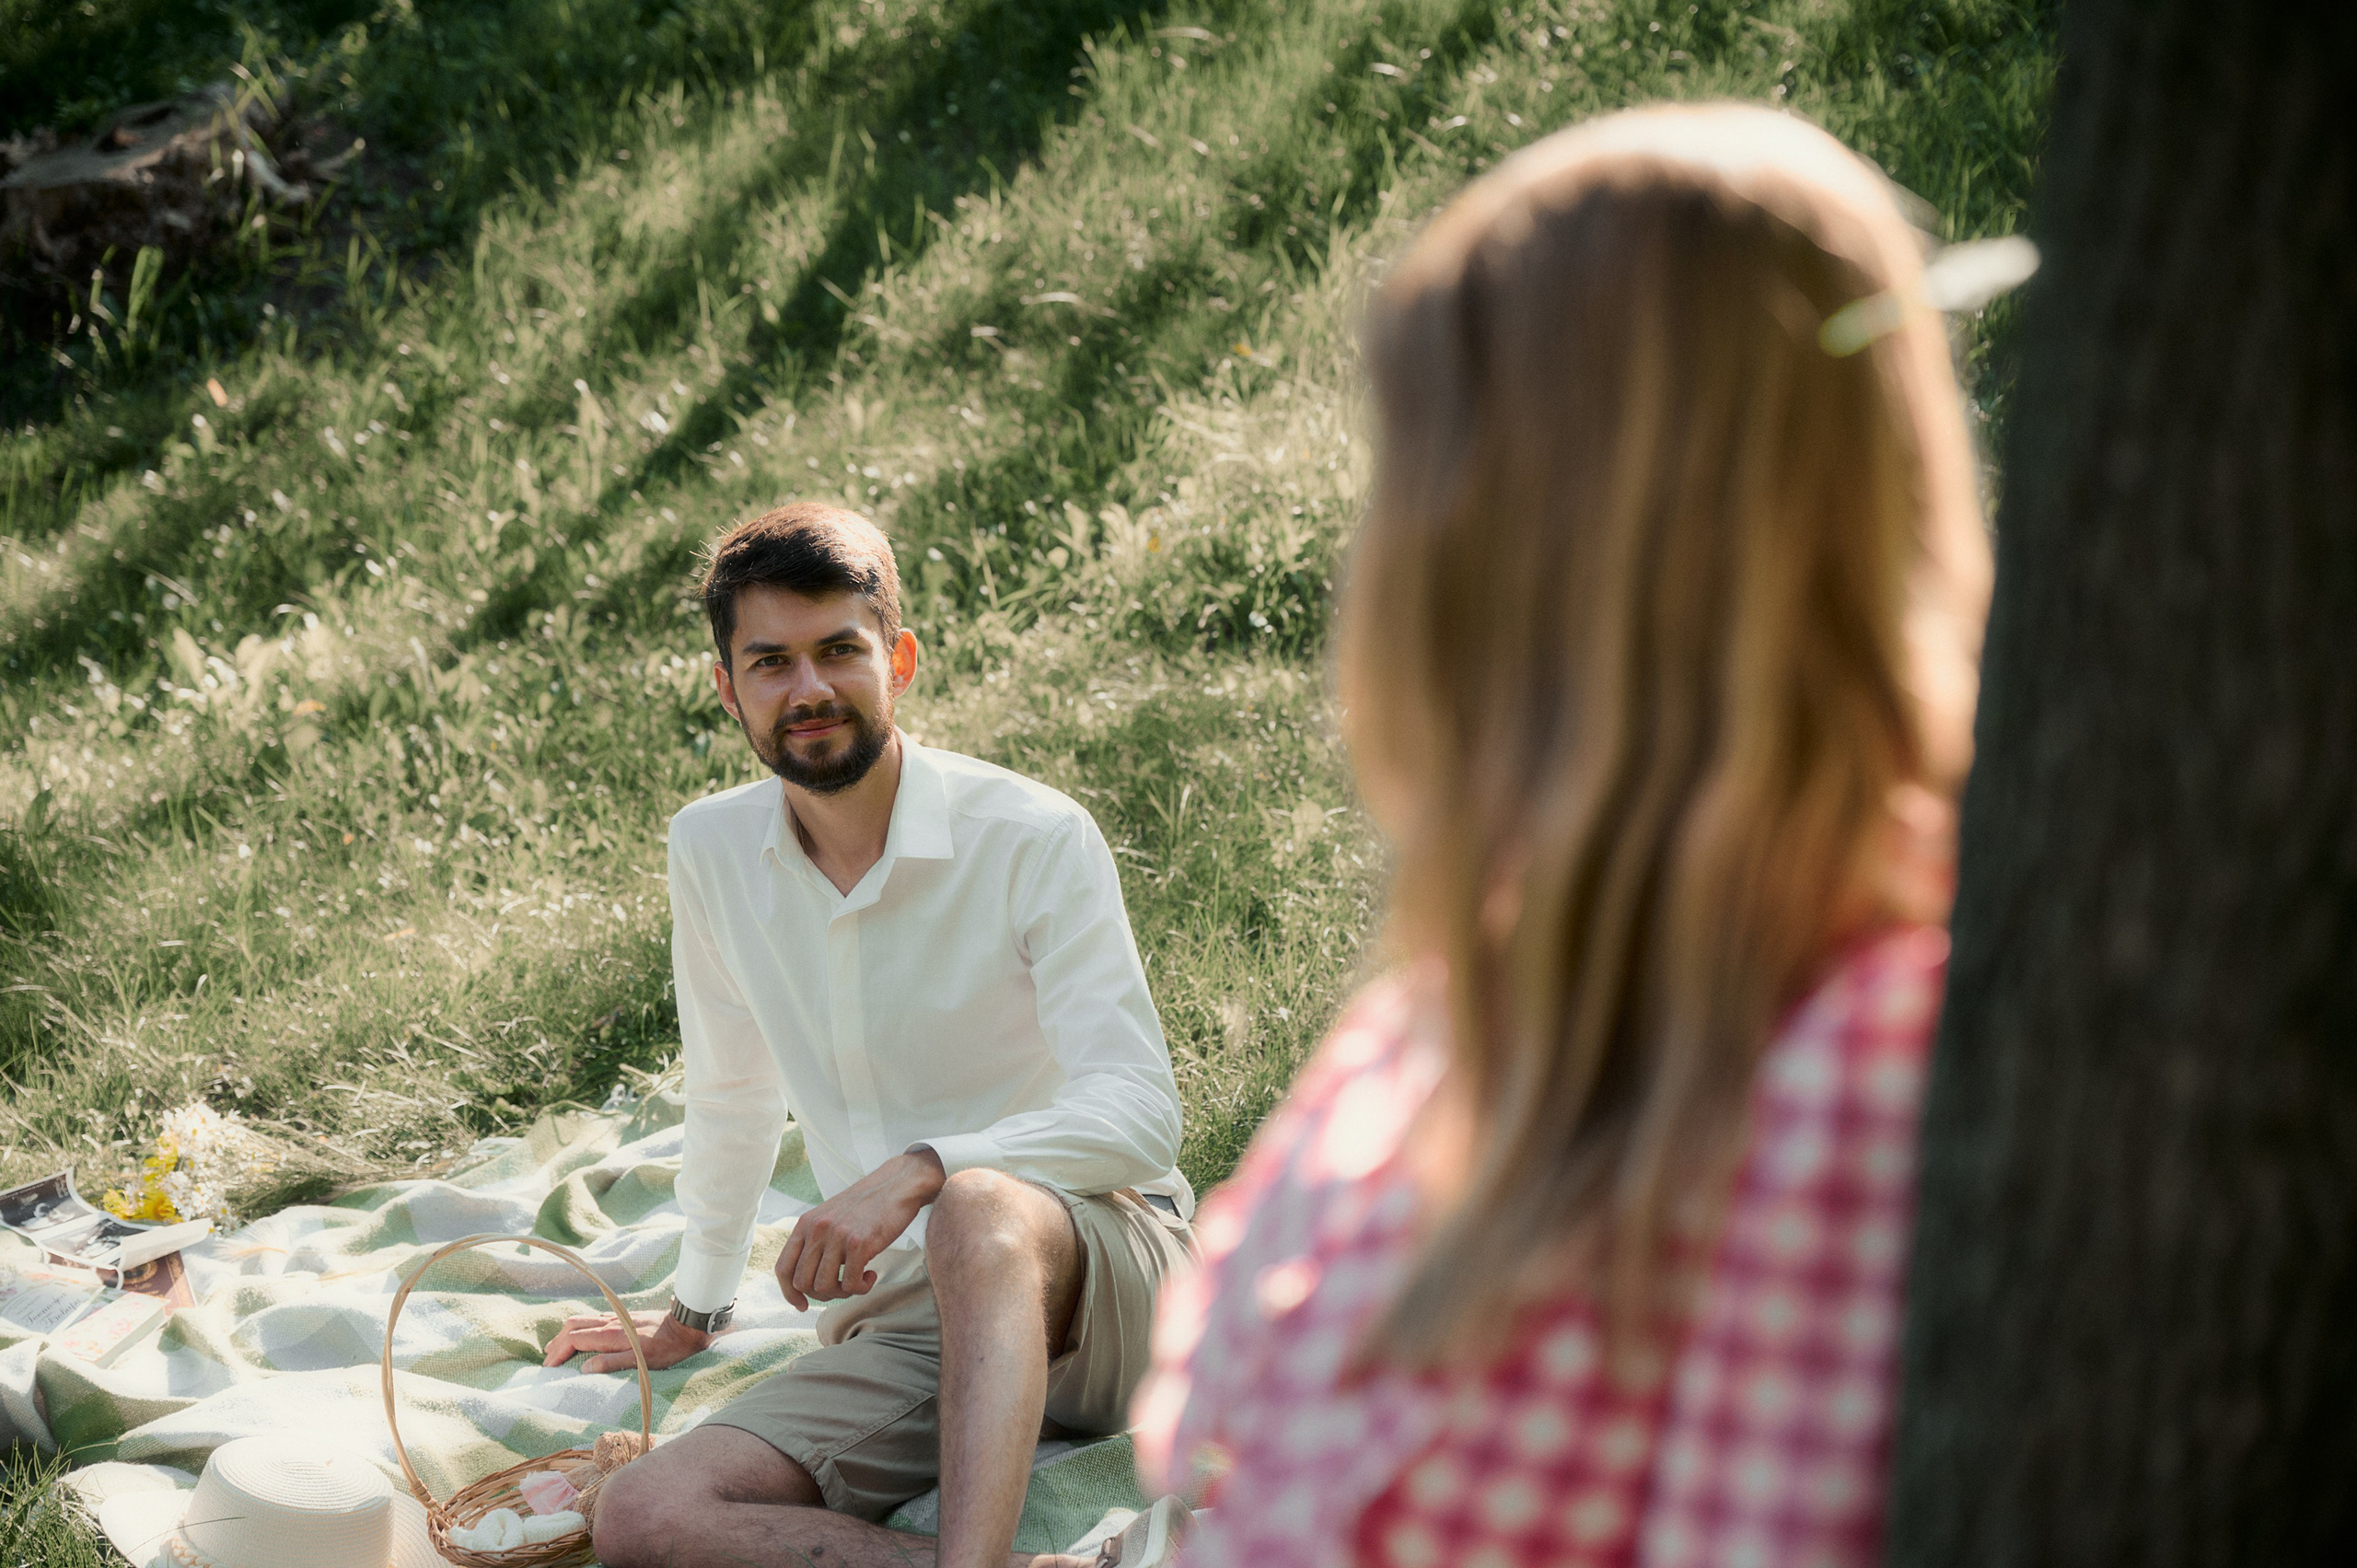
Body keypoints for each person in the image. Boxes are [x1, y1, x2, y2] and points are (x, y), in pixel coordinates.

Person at [1131, 104, 1994, 1568]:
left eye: (1417, 468)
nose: (1372, 555)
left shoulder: (1852, 1071)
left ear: (1568, 540)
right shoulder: (1469, 996)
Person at [552, 503, 1199, 1568]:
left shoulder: (1032, 835)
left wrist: (924, 1168)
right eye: (770, 662)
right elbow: (730, 1091)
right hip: (913, 1318)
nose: (806, 687)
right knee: (643, 1513)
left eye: (838, 650)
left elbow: (1140, 1112)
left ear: (897, 659)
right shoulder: (711, 849)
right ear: (727, 689)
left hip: (1112, 1285)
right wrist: (696, 1306)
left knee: (977, 1203)